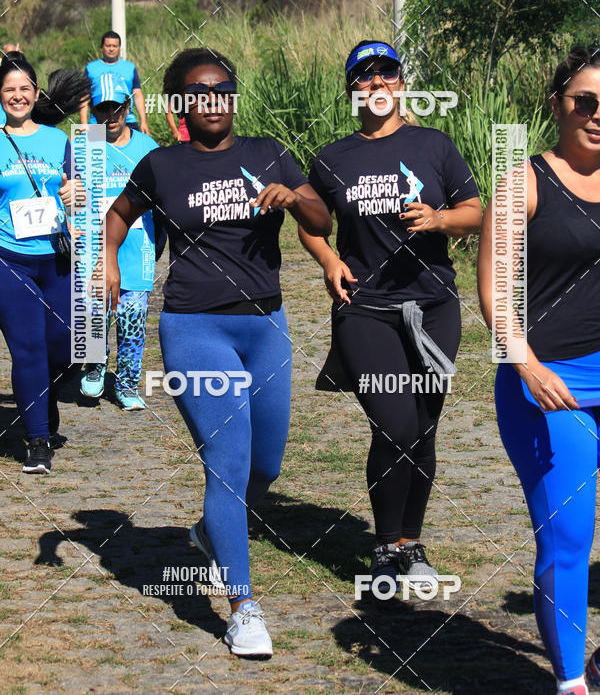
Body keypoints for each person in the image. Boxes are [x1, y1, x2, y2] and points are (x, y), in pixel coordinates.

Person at [97, 47, 331, 657]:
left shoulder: (266, 152)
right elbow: (119, 215)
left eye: (222, 88)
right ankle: (243, 607)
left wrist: (293, 198)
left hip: (266, 325)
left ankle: (208, 532)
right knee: (226, 462)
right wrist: (107, 262)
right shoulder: (160, 166)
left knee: (266, 468)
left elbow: (321, 219)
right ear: (179, 103)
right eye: (198, 91)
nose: (212, 100)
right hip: (195, 329)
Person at [299, 39, 481, 596]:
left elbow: (477, 213)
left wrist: (440, 218)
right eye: (364, 78)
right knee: (395, 424)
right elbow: (311, 221)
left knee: (423, 430)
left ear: (401, 84)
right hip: (367, 310)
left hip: (434, 308)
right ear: (352, 88)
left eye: (386, 76)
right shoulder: (333, 158)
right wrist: (329, 260)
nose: (376, 86)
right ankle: (383, 547)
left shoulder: (434, 145)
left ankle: (409, 544)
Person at [478, 45, 600, 695]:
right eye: (586, 101)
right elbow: (496, 288)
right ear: (557, 104)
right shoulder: (523, 180)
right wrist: (524, 363)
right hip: (551, 385)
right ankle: (571, 683)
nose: (598, 115)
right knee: (568, 541)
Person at [0, 53, 89, 473]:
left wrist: (77, 197)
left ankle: (43, 397)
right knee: (29, 348)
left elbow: (77, 191)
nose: (17, 96)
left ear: (36, 93)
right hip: (9, 260)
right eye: (8, 90)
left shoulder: (58, 140)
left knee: (65, 346)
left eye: (24, 89)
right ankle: (37, 439)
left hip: (56, 256)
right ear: (0, 97)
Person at [80, 85, 158, 409]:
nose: (109, 117)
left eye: (116, 109)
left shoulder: (147, 146)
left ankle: (127, 383)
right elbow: (73, 191)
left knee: (132, 315)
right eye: (101, 110)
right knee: (94, 309)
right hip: (95, 241)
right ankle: (96, 367)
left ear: (128, 106)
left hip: (137, 242)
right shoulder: (85, 145)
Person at [79, 31, 150, 135]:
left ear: (119, 48)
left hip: (127, 121)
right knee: (90, 151)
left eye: (114, 46)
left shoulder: (129, 67)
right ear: (102, 47)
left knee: (132, 151)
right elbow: (84, 97)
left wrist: (143, 122)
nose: (111, 49)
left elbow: (138, 95)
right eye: (108, 46)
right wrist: (83, 124)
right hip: (97, 122)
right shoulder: (91, 68)